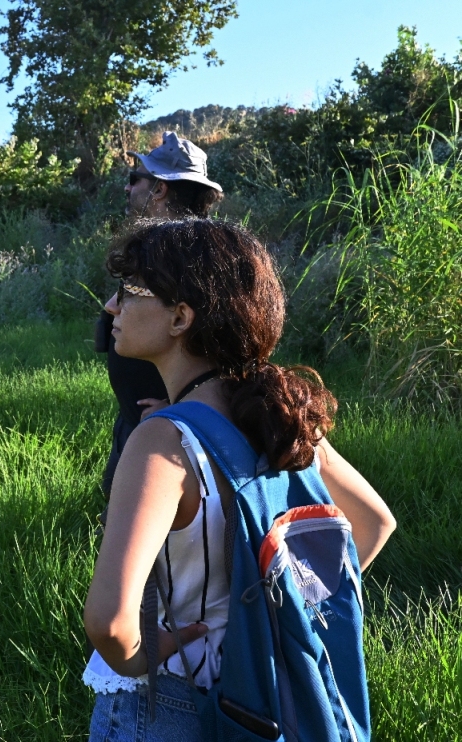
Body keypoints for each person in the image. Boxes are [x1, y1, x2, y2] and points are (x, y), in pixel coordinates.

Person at [81, 219, 395, 740]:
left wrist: (137, 659)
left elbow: (109, 622)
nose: (112, 307)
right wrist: (285, 612)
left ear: (181, 317)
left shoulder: (162, 443)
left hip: (168, 703)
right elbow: (374, 522)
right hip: (261, 695)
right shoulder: (280, 421)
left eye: (130, 291)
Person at [96, 132, 225, 497]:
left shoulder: (198, 253)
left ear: (160, 189)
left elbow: (237, 338)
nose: (128, 187)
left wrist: (185, 406)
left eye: (136, 178)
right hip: (139, 422)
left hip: (175, 435)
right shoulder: (157, 248)